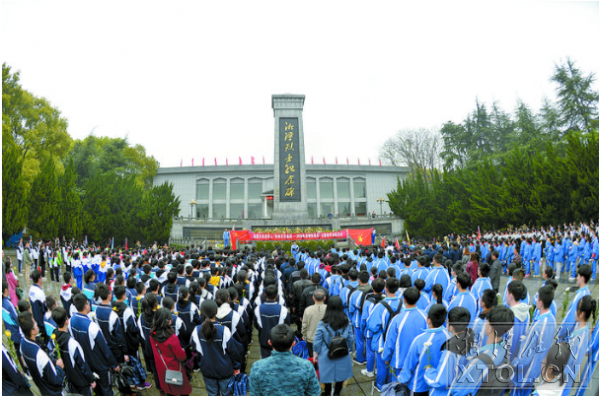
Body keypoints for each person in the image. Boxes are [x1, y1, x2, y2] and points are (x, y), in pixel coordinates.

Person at [449, 305, 514, 396]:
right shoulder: (505, 350)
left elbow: (457, 391)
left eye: (487, 321)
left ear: (490, 328)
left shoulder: (480, 361)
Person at [509, 284, 557, 396]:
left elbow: (525, 355)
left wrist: (515, 362)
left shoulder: (538, 325)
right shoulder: (552, 319)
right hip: (537, 369)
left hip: (526, 371)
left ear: (540, 303)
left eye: (538, 298)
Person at [69, 293, 120, 396]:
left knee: (97, 389)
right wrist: (114, 364)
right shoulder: (92, 326)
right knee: (106, 388)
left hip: (86, 363)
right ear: (86, 305)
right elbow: (104, 348)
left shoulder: (70, 321)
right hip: (99, 364)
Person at [250, 324, 321, 396]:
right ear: (293, 343)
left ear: (270, 342)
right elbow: (314, 393)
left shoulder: (257, 367)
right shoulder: (306, 366)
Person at [192, 300, 241, 396]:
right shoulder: (224, 330)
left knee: (212, 394)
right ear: (216, 312)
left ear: (201, 312)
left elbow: (195, 351)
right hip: (225, 370)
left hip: (207, 370)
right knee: (227, 393)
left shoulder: (196, 331)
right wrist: (236, 367)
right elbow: (233, 352)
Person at [424, 307, 474, 396]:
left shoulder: (451, 351)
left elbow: (440, 381)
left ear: (451, 327)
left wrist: (428, 372)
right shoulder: (472, 342)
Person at [383, 287, 428, 382]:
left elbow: (390, 341)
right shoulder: (425, 316)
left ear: (404, 299)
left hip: (400, 362)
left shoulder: (397, 319)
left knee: (398, 389)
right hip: (419, 361)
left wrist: (386, 357)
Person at [313, 296, 354, 396]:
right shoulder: (346, 321)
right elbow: (350, 339)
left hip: (326, 354)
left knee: (326, 375)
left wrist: (316, 353)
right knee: (341, 376)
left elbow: (317, 341)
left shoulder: (322, 323)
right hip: (342, 353)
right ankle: (336, 393)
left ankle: (327, 392)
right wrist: (347, 347)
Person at [18, 311, 65, 396]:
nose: (37, 325)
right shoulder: (39, 355)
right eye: (35, 324)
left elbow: (24, 364)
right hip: (54, 392)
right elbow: (55, 380)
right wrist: (59, 367)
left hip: (42, 389)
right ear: (32, 331)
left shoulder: (23, 343)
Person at [52, 307, 96, 396]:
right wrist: (91, 379)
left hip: (70, 380)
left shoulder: (54, 338)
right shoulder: (72, 343)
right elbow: (82, 364)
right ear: (66, 321)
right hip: (82, 383)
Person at [151, 308, 191, 396]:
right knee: (182, 391)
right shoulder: (172, 337)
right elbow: (181, 357)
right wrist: (183, 351)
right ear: (169, 322)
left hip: (162, 368)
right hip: (175, 369)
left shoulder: (153, 334)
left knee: (169, 391)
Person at [557, 264, 591, 342]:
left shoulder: (579, 297)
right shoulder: (587, 292)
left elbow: (570, 320)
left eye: (578, 276)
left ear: (582, 278)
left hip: (570, 337)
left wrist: (559, 333)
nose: (577, 278)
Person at [254, 284, 290, 358]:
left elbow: (256, 324)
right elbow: (287, 326)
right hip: (279, 341)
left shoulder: (258, 309)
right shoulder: (283, 310)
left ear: (265, 295)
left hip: (264, 340)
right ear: (277, 296)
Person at [505, 280, 530, 362]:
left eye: (507, 293)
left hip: (507, 359)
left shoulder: (509, 317)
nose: (505, 295)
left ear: (511, 296)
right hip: (517, 358)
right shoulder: (526, 312)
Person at [301, 287, 327, 357]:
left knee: (313, 357)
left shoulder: (308, 310)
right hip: (325, 338)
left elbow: (304, 324)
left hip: (311, 338)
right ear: (324, 298)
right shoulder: (328, 309)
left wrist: (304, 335)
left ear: (313, 298)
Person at [28, 270, 47, 342]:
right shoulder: (40, 293)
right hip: (42, 320)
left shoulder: (31, 289)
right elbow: (45, 307)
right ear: (39, 279)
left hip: (35, 317)